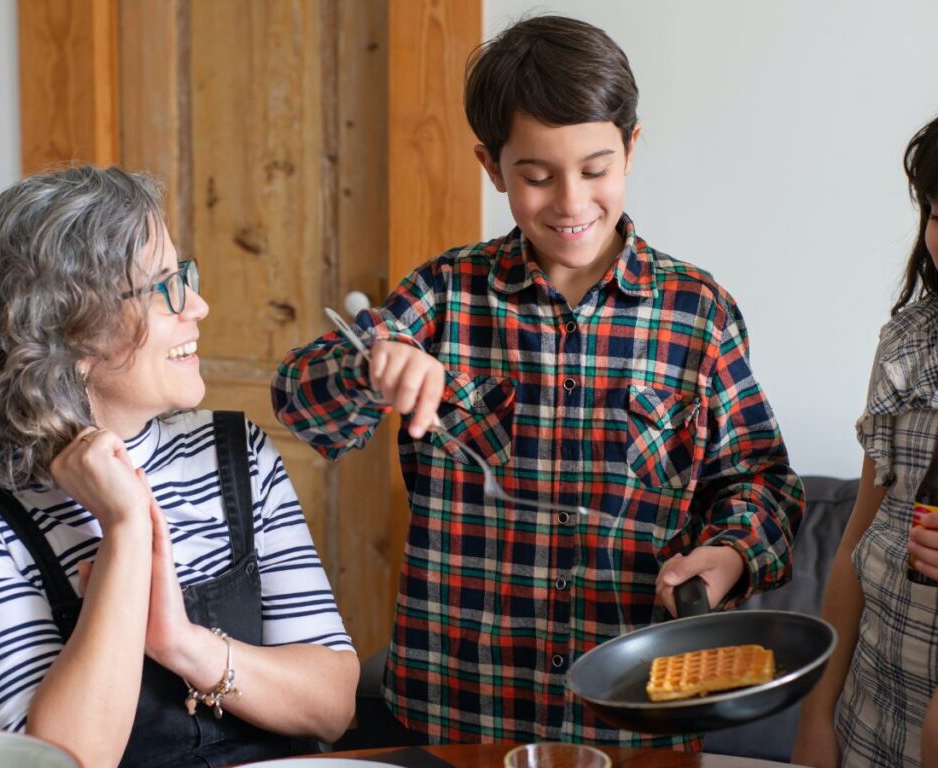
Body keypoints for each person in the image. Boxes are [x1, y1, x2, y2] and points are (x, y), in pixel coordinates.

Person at [272, 15, 803, 749]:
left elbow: (761, 481)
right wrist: (370, 367)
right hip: (456, 717)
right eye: (536, 175)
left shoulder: (698, 313)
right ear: (493, 168)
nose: (571, 201)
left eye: (595, 168)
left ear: (631, 148)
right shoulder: (444, 295)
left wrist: (734, 551)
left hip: (633, 728)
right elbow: (299, 406)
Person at [0, 166, 359, 767]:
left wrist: (182, 645)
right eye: (162, 287)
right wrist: (125, 528)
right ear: (65, 335)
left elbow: (332, 704)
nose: (197, 305)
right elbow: (66, 760)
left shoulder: (238, 451)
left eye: (184, 276)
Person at [792, 116, 938, 768]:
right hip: (873, 720)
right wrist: (819, 715)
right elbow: (857, 540)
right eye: (935, 211)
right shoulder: (908, 344)